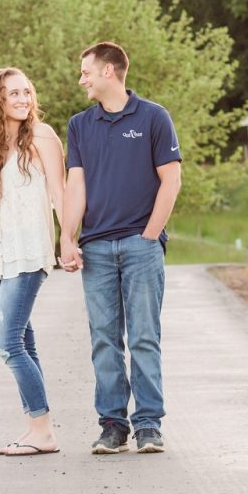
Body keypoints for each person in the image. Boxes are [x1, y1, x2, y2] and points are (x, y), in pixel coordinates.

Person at [59, 41, 182, 455]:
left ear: (108, 71)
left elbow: (171, 180)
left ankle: (148, 424)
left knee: (145, 336)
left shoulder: (153, 117)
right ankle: (113, 425)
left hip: (140, 245)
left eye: (85, 71)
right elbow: (74, 185)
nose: (82, 79)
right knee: (104, 339)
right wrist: (67, 237)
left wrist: (150, 235)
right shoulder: (79, 125)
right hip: (95, 248)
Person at [0, 66, 67, 456]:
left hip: (30, 250)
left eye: (27, 92)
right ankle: (37, 428)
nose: (24, 99)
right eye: (14, 93)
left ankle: (42, 430)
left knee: (8, 343)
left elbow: (60, 194)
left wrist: (69, 241)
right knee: (23, 339)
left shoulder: (42, 137)